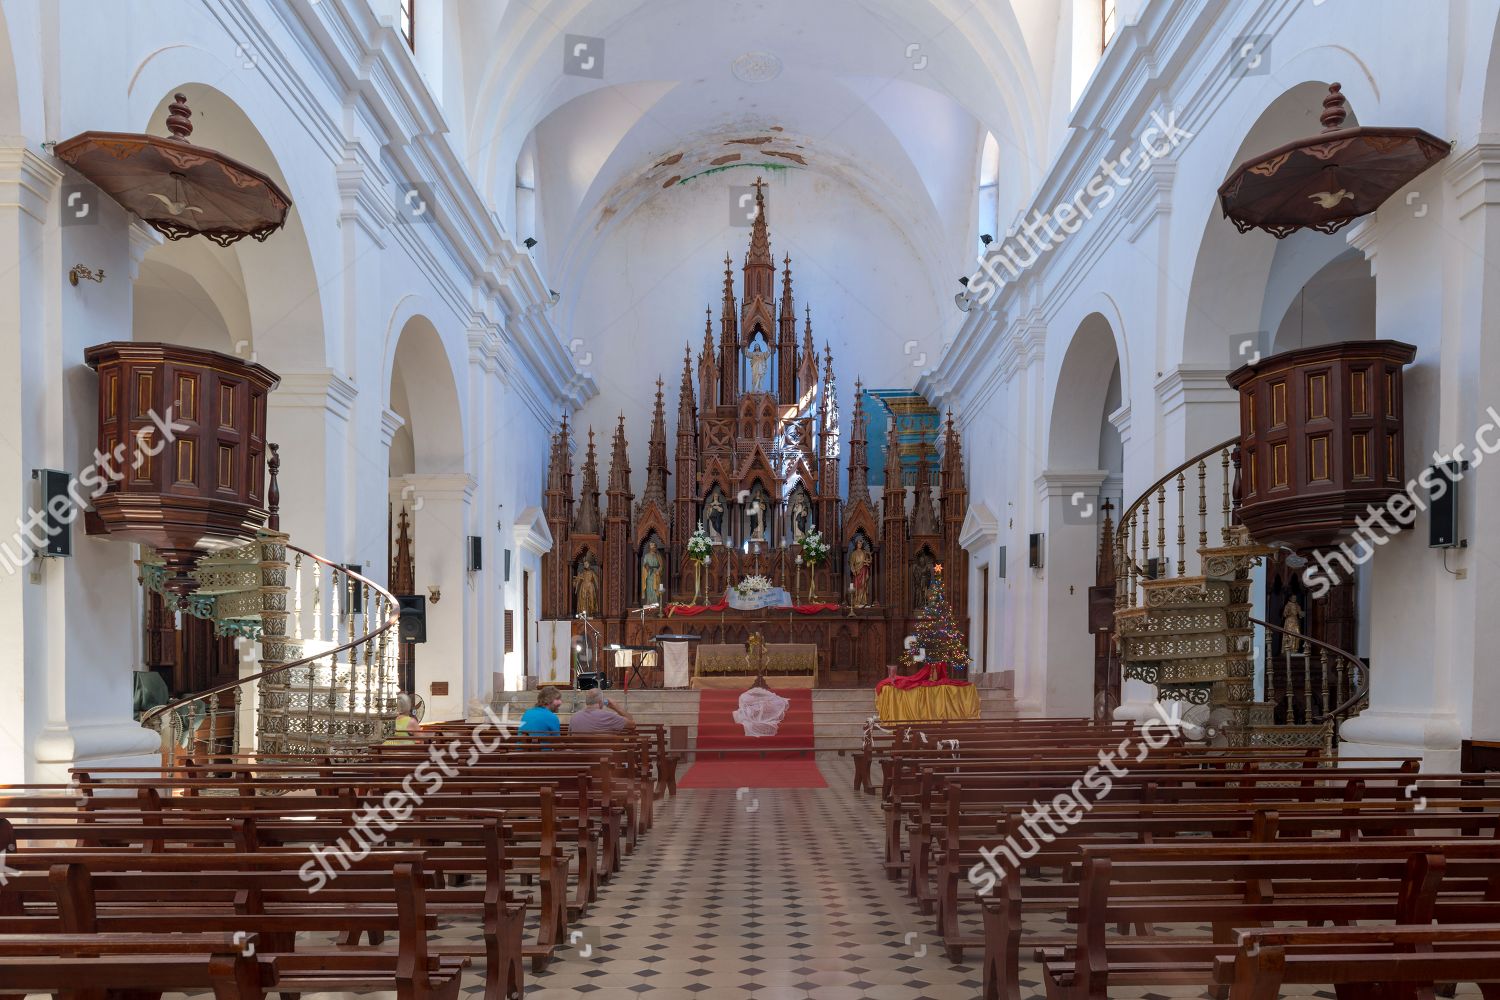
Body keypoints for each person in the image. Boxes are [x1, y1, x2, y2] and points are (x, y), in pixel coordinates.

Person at [568, 689, 636, 734]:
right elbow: (632, 724)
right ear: (601, 702)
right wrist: (616, 707)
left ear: (587, 702)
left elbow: (569, 738)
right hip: (604, 755)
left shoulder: (574, 717)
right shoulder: (609, 717)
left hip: (579, 755)